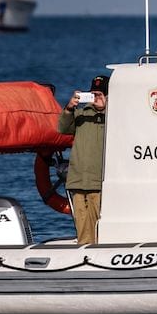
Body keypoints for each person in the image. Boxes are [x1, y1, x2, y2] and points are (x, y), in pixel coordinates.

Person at [57, 74, 109, 244]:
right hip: (78, 178)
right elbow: (62, 128)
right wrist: (69, 108)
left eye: (100, 94)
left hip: (97, 179)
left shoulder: (114, 116)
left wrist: (106, 109)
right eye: (93, 94)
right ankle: (85, 247)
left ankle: (88, 247)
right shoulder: (81, 112)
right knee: (80, 218)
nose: (96, 98)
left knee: (94, 220)